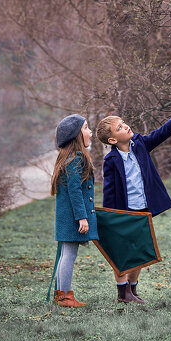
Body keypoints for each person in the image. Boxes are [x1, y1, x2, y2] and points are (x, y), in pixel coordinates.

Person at [95, 101, 171, 304]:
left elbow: (161, 133)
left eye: (124, 123)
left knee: (141, 253)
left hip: (143, 210)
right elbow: (109, 191)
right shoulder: (111, 161)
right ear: (112, 139)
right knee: (122, 253)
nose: (125, 126)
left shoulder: (140, 144)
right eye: (120, 127)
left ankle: (132, 291)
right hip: (124, 214)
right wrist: (110, 217)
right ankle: (122, 293)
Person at [49, 114, 98, 307]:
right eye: (86, 128)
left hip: (66, 216)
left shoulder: (68, 158)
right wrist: (82, 218)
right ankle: (65, 297)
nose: (90, 132)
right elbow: (75, 191)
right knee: (69, 254)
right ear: (76, 135)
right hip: (72, 217)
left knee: (65, 254)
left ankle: (62, 294)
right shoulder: (76, 159)